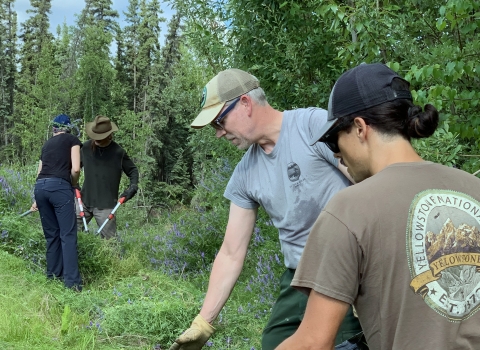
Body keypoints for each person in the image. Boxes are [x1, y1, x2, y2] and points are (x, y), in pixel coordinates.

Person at [276, 63, 480, 349]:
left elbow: (313, 343)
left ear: (360, 128)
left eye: (334, 140)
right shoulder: (474, 189)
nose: (338, 155)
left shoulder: (348, 210)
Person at [169, 69, 362, 350]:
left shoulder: (312, 127)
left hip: (345, 270)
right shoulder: (245, 174)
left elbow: (368, 180)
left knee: (343, 344)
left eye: (220, 122)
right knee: (274, 342)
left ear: (245, 103)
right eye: (214, 127)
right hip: (298, 277)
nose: (219, 133)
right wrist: (203, 323)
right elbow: (231, 252)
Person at [30, 114, 82, 291]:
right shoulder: (72, 140)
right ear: (67, 128)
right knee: (67, 235)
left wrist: (36, 199)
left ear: (53, 129)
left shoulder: (46, 145)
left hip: (40, 188)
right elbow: (76, 168)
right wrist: (74, 184)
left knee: (52, 235)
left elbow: (39, 173)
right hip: (59, 188)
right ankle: (72, 284)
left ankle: (52, 277)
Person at [76, 115, 139, 239]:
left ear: (108, 135)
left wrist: (133, 186)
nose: (96, 139)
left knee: (111, 244)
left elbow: (133, 170)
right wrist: (74, 184)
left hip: (106, 205)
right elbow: (74, 167)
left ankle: (113, 259)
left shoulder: (118, 152)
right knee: (70, 233)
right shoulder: (86, 148)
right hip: (84, 201)